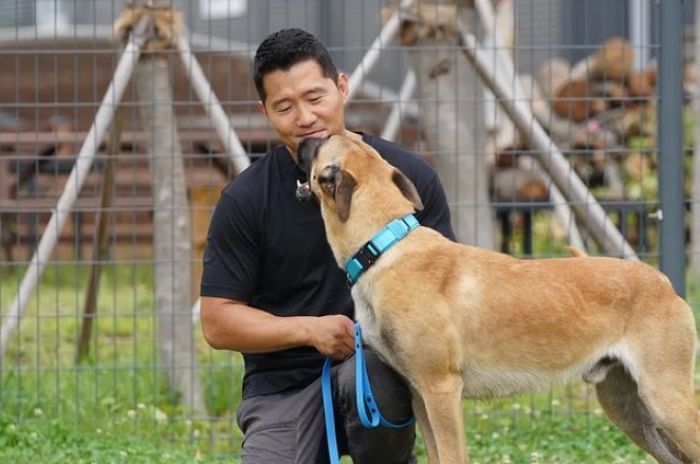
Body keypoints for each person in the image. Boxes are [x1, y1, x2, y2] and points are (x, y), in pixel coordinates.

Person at [200, 28, 455, 463]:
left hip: (379, 371)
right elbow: (217, 322)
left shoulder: (406, 178)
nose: (304, 117)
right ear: (265, 111)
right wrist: (308, 329)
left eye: (315, 97)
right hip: (283, 387)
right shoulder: (245, 200)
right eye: (284, 106)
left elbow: (444, 295)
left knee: (374, 375)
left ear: (341, 86)